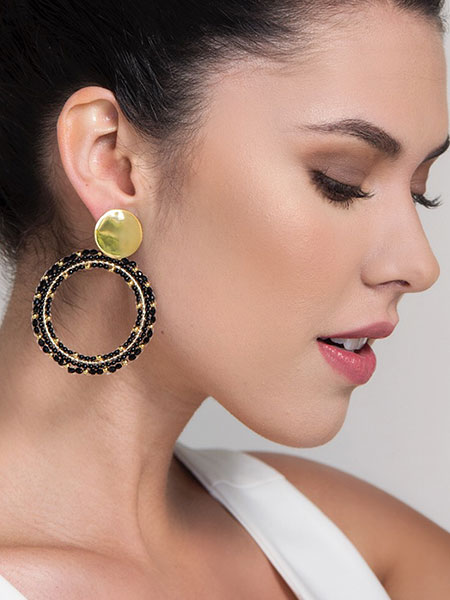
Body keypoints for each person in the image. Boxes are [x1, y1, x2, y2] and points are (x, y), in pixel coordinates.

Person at [0, 0, 449, 598]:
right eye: (340, 180)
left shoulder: (374, 558)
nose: (420, 266)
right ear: (113, 163)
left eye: (418, 192)